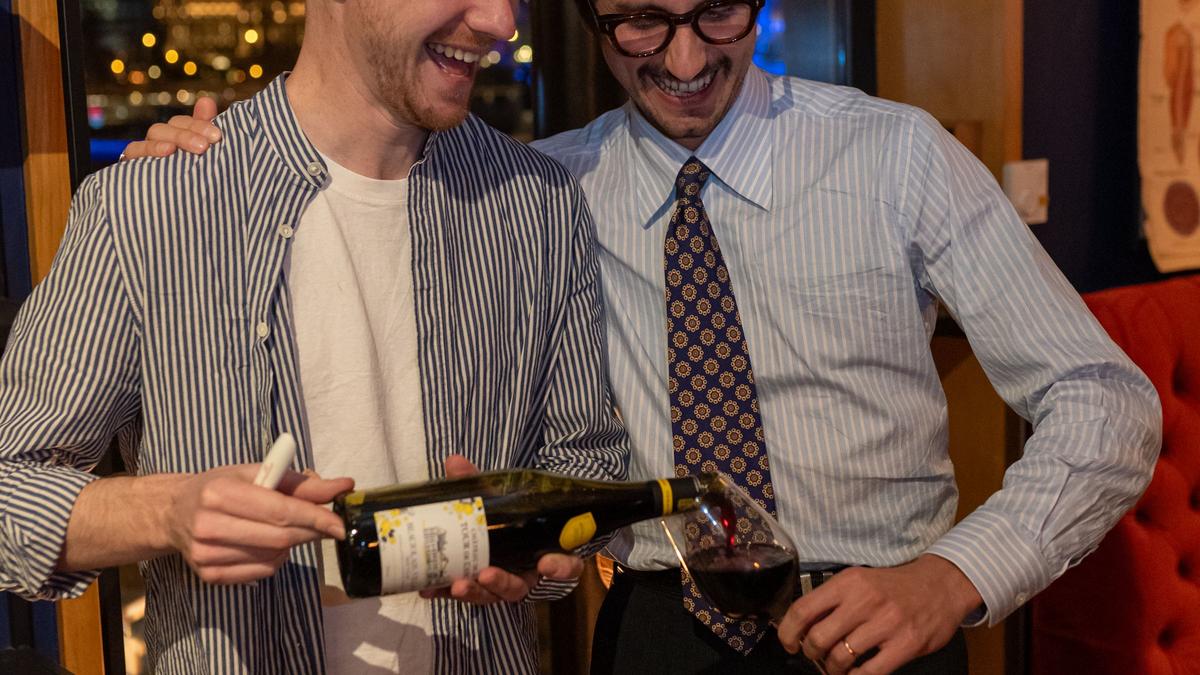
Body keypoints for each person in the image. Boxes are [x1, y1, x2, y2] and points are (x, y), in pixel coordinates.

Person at [129, 0, 1163, 672]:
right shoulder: (545, 190)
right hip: (661, 626)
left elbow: (1104, 400)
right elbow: (356, 166)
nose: (685, 58)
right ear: (593, 21)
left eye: (716, 12)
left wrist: (953, 577)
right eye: (640, 22)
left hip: (879, 614)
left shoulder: (899, 157)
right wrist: (201, 152)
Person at [0, 0, 630, 673]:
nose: (502, 22)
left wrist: (527, 552)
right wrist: (168, 512)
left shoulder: (540, 203)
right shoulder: (150, 206)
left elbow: (586, 465)